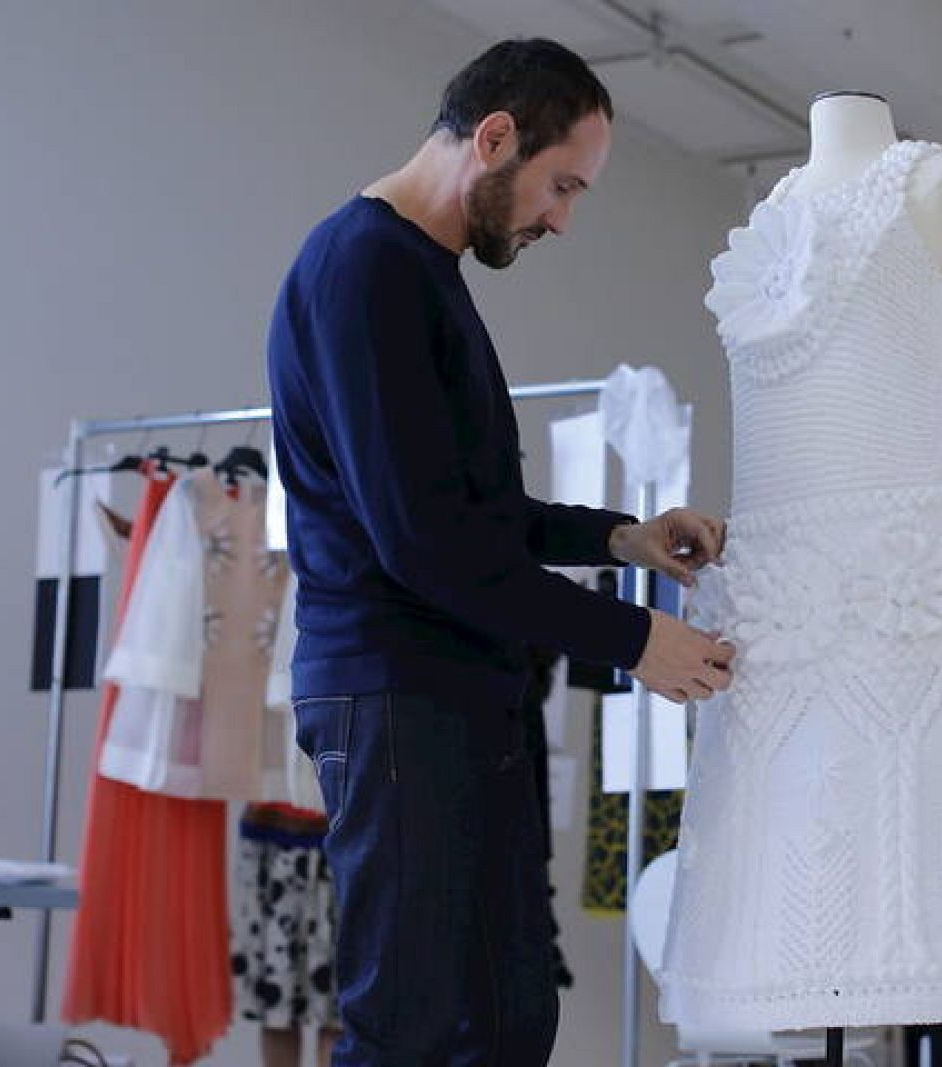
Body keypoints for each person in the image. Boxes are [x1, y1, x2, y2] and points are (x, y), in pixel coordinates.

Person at [266, 39, 735, 1066]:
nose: (561, 219)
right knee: (412, 1027)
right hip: (395, 691)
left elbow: (467, 511)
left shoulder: (418, 273)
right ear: (494, 137)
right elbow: (422, 542)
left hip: (455, 690)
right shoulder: (365, 269)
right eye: (561, 185)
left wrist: (616, 538)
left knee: (509, 1014)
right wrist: (632, 639)